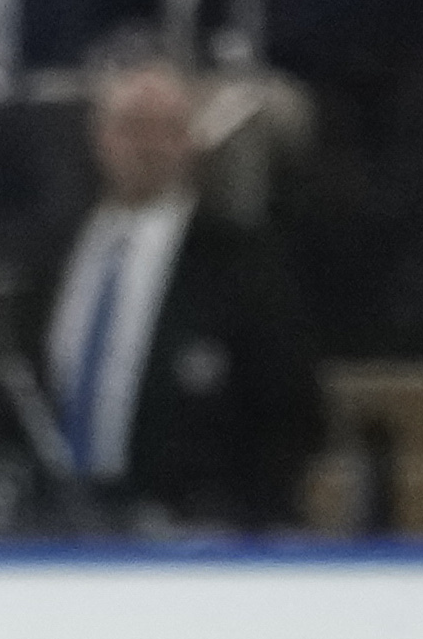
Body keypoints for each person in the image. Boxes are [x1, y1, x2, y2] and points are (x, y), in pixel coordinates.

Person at [23, 50, 320, 528]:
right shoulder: (53, 256)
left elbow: (290, 408)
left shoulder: (238, 262)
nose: (150, 145)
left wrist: (238, 521)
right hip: (59, 531)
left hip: (189, 540)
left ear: (190, 143)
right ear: (100, 139)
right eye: (133, 127)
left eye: (167, 129)